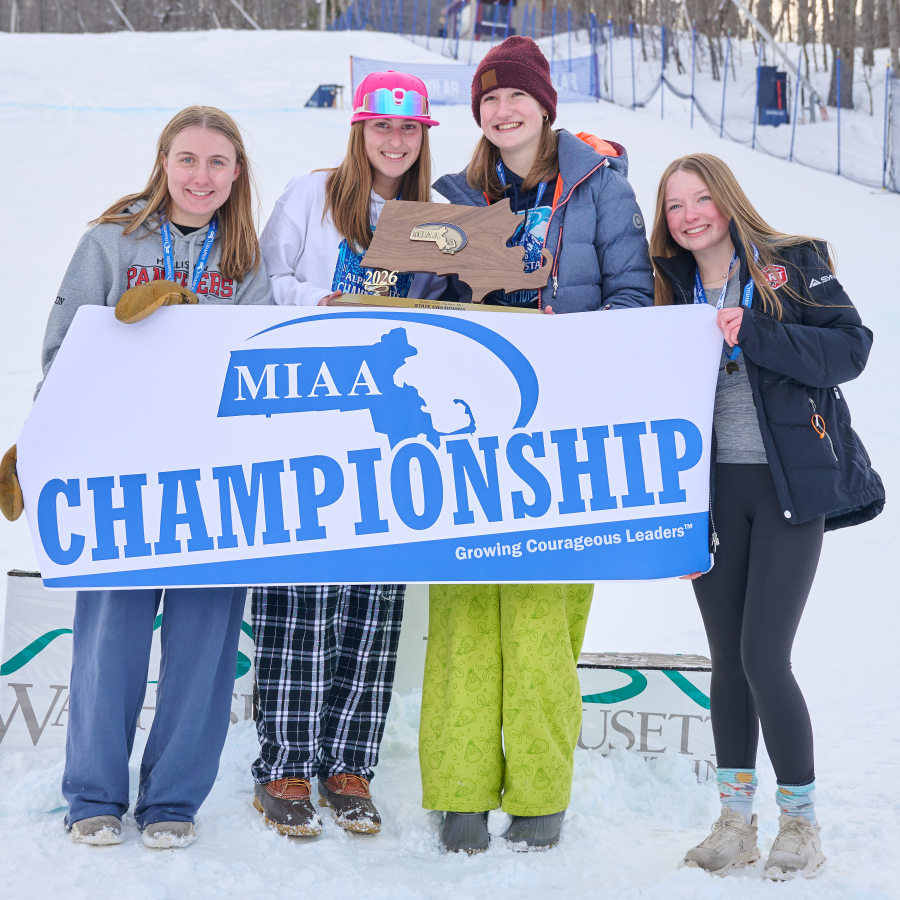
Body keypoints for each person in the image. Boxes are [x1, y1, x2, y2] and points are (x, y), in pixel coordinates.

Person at [0, 105, 272, 848]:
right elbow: (62, 351)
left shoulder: (245, 257)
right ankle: (93, 795)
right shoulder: (109, 242)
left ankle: (172, 801)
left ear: (236, 174)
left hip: (212, 483)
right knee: (110, 640)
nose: (200, 176)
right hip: (120, 476)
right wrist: (48, 443)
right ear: (162, 163)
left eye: (217, 162)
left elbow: (256, 367)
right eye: (187, 159)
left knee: (204, 647)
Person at [420, 36, 655, 854]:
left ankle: (540, 794)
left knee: (540, 616)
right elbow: (425, 310)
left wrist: (566, 351)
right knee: (462, 611)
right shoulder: (458, 197)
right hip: (470, 436)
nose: (502, 110)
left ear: (546, 105)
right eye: (488, 99)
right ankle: (458, 795)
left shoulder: (600, 188)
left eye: (516, 95)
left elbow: (633, 299)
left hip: (564, 435)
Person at [650, 153, 883, 879]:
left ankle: (801, 824)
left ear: (726, 200)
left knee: (763, 657)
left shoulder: (790, 263)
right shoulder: (665, 287)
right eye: (674, 206)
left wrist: (753, 330)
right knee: (727, 661)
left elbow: (850, 351)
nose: (689, 216)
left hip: (787, 488)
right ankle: (734, 823)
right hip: (711, 494)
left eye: (700, 199)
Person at [249, 70, 444, 838]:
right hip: (311, 414)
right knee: (303, 594)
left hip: (391, 424)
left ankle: (348, 763)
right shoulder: (312, 194)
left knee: (374, 599)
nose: (395, 141)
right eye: (381, 127)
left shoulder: (433, 216)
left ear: (423, 136)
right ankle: (286, 763)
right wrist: (320, 303)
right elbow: (265, 278)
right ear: (359, 130)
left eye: (409, 129)